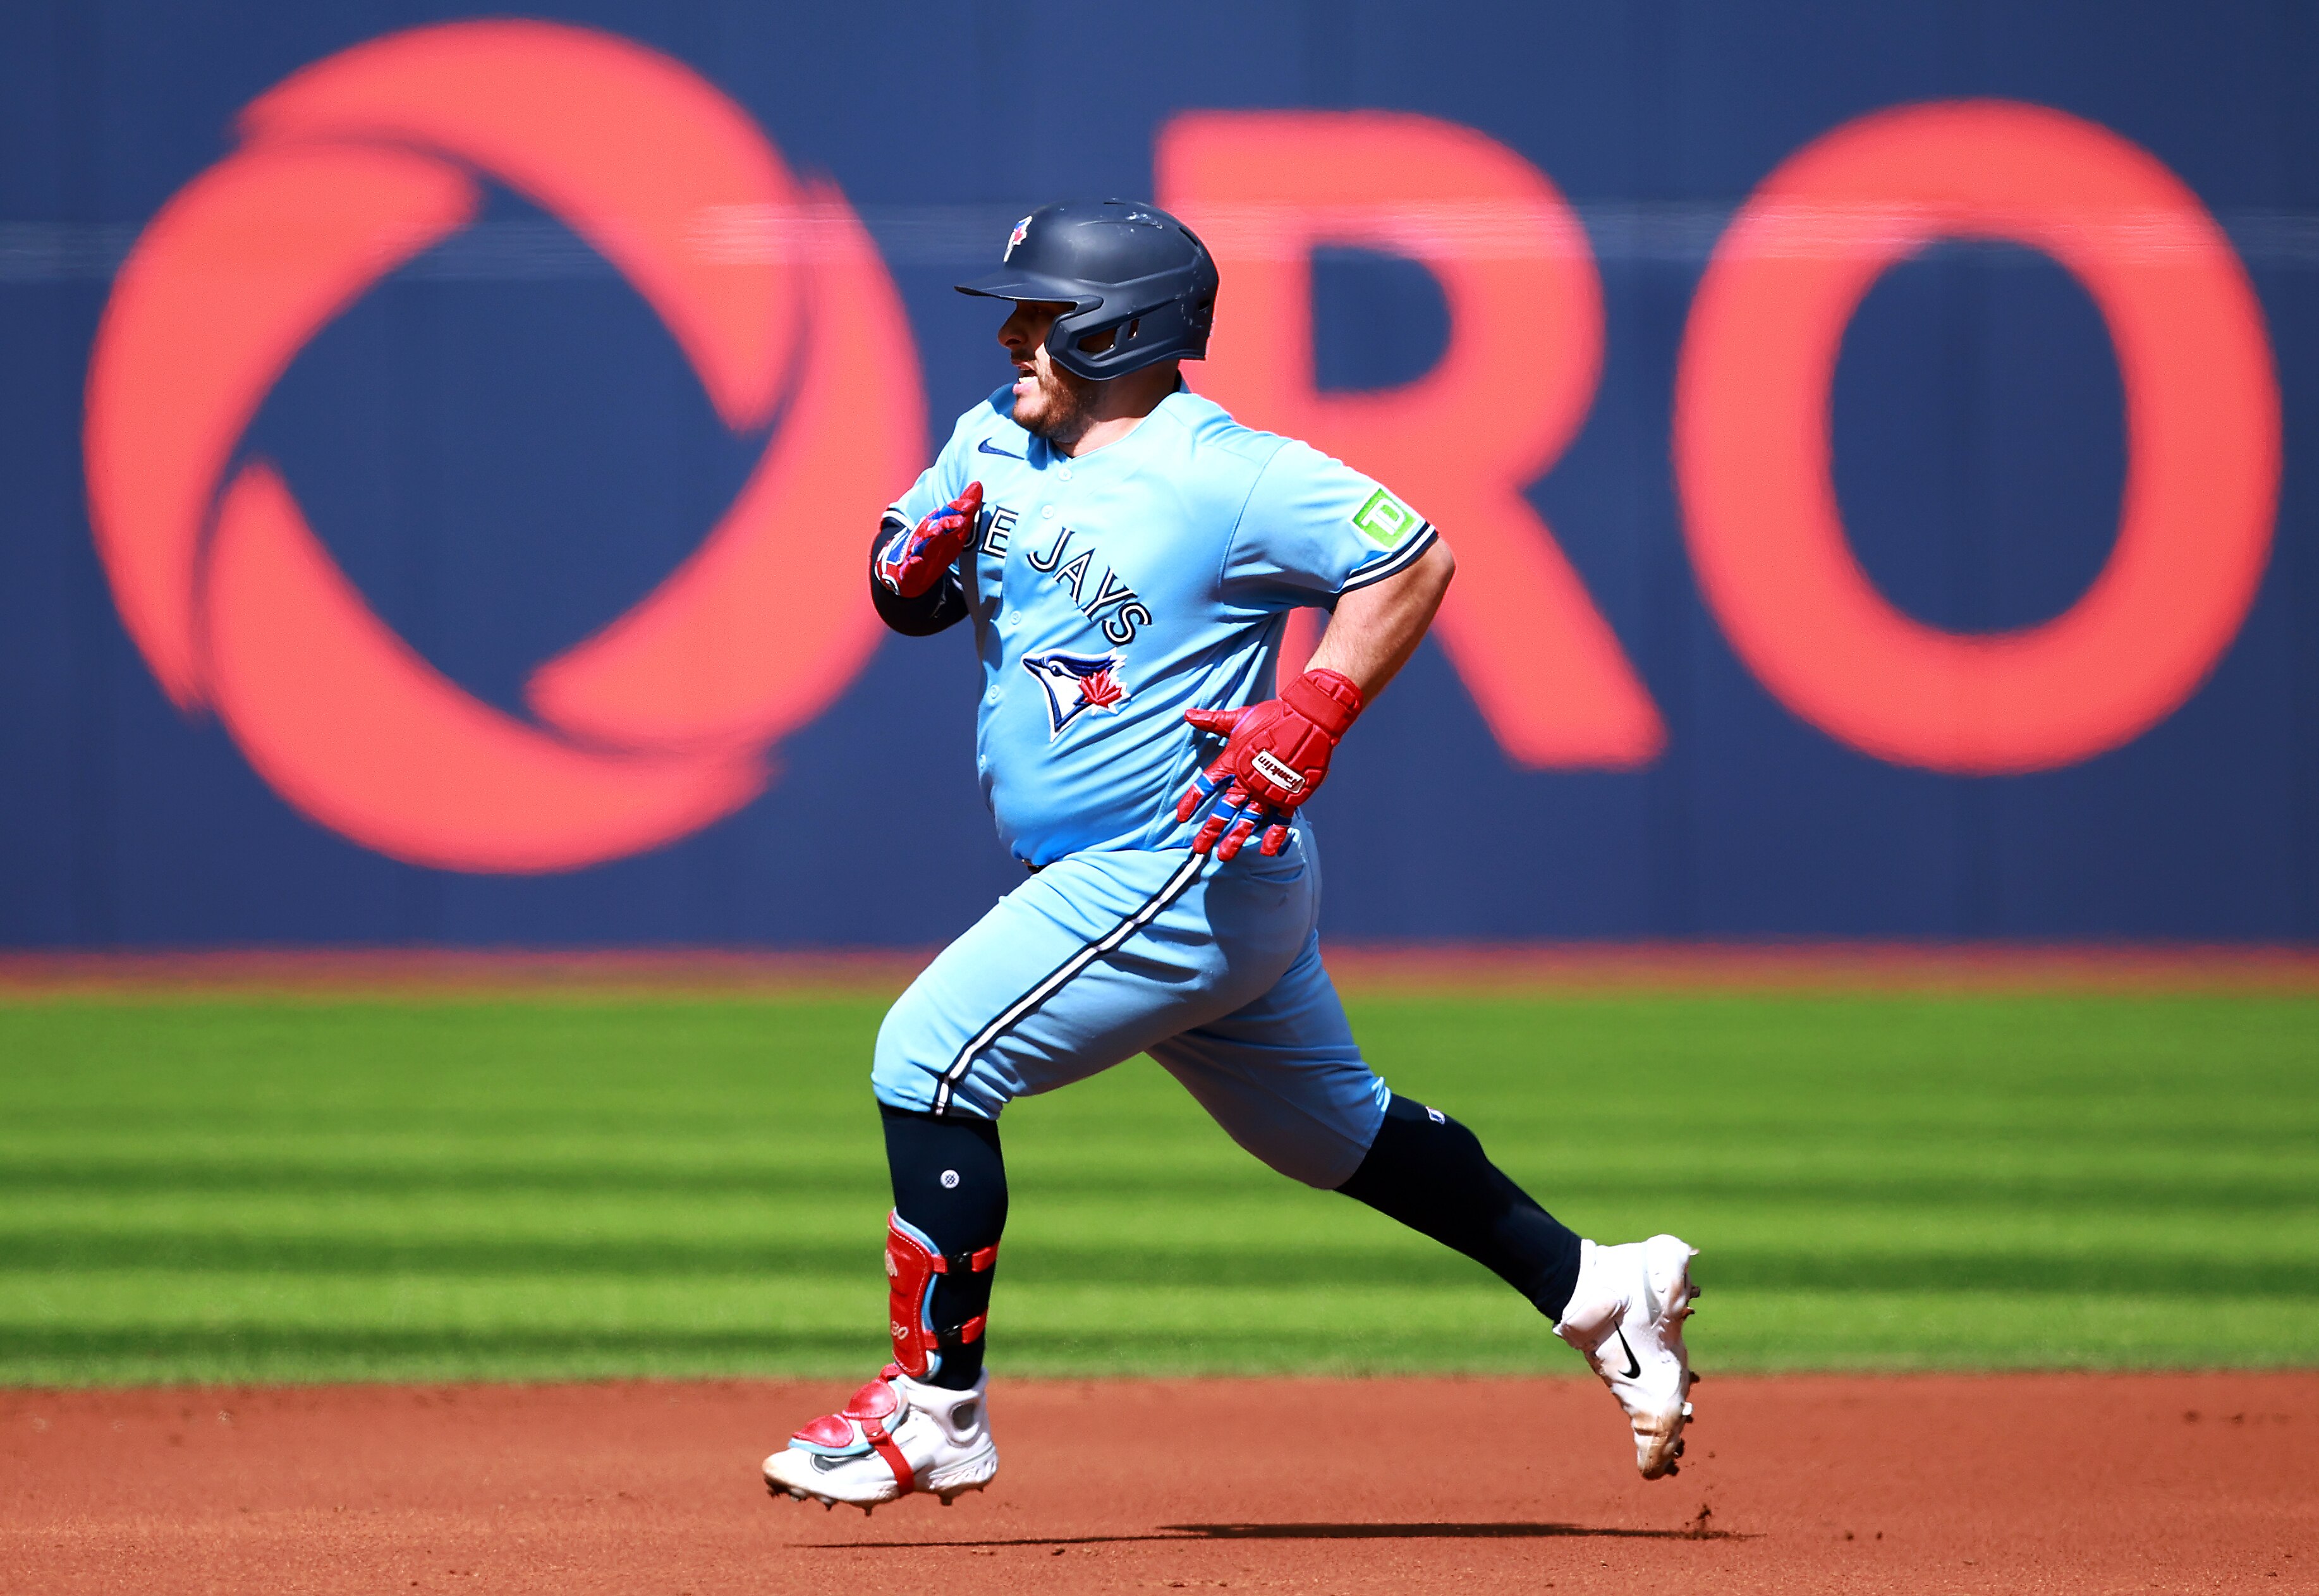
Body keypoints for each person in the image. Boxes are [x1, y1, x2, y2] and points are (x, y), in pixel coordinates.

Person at [762, 200, 1696, 1514]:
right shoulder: (992, 433)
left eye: (1040, 312)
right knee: (1333, 1136)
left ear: (1118, 327)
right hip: (1154, 878)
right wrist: (908, 568)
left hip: (1168, 863)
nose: (1013, 334)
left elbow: (1407, 557)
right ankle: (1601, 1288)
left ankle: (934, 1411)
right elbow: (901, 590)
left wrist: (1313, 709)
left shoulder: (1228, 473)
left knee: (926, 1058)